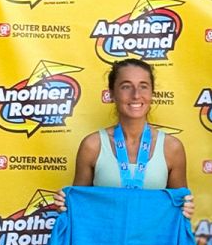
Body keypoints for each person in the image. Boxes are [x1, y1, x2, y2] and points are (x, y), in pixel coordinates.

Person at [54, 58, 194, 218]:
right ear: (112, 93)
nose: (136, 95)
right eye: (126, 86)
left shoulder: (172, 148)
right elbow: (79, 207)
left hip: (153, 235)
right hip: (104, 234)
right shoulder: (92, 145)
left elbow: (179, 208)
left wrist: (185, 208)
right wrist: (65, 205)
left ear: (152, 93)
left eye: (143, 86)